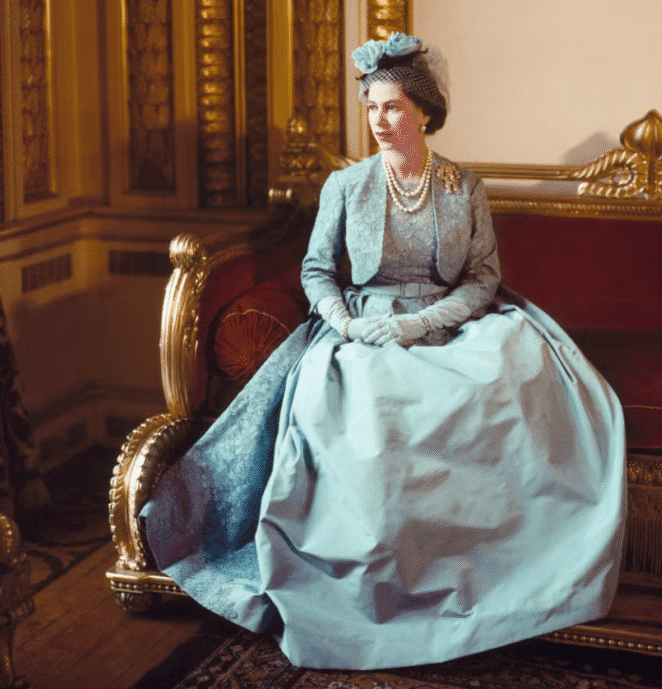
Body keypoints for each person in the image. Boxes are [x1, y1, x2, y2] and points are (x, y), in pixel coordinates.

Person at [141, 33, 626, 671]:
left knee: (505, 377)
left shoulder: (462, 187)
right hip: (362, 327)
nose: (380, 121)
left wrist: (426, 320)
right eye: (371, 108)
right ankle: (374, 586)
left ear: (424, 112)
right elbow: (317, 271)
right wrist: (345, 322)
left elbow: (481, 278)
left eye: (394, 107)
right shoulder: (347, 186)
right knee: (363, 403)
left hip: (450, 322)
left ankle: (495, 581)